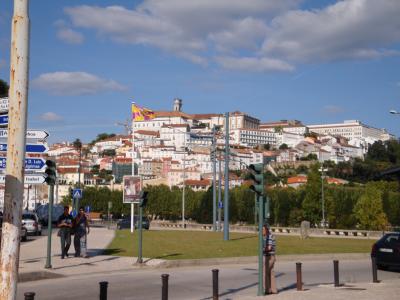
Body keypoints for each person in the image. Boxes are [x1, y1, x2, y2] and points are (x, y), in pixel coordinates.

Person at [263, 224, 277, 294]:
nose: (262, 231)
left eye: (263, 230)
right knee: (271, 273)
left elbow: (269, 248)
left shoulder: (269, 236)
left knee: (264, 272)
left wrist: (262, 250)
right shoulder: (268, 236)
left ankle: (267, 289)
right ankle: (274, 290)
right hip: (272, 256)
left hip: (269, 257)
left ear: (266, 229)